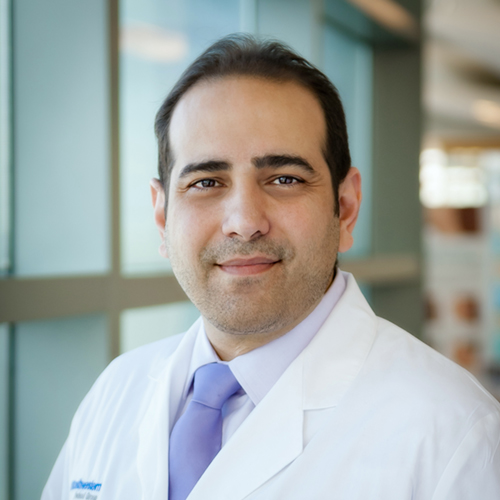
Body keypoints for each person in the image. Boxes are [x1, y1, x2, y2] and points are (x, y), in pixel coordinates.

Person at [42, 34, 500, 500]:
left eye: (285, 179)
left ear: (345, 207)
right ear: (162, 217)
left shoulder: (456, 437)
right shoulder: (117, 390)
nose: (244, 223)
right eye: (205, 182)